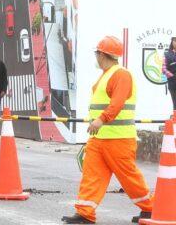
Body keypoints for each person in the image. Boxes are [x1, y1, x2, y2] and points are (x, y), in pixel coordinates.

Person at [62, 36, 153, 224]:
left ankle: (152, 208)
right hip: (99, 138)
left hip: (118, 139)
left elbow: (117, 102)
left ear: (102, 54)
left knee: (129, 177)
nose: (96, 57)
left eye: (97, 53)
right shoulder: (107, 74)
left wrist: (101, 119)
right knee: (92, 174)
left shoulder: (121, 74)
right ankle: (85, 213)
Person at [164, 37, 176, 111]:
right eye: (175, 40)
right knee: (175, 103)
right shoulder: (166, 54)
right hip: (173, 82)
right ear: (172, 42)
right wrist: (173, 76)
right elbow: (163, 69)